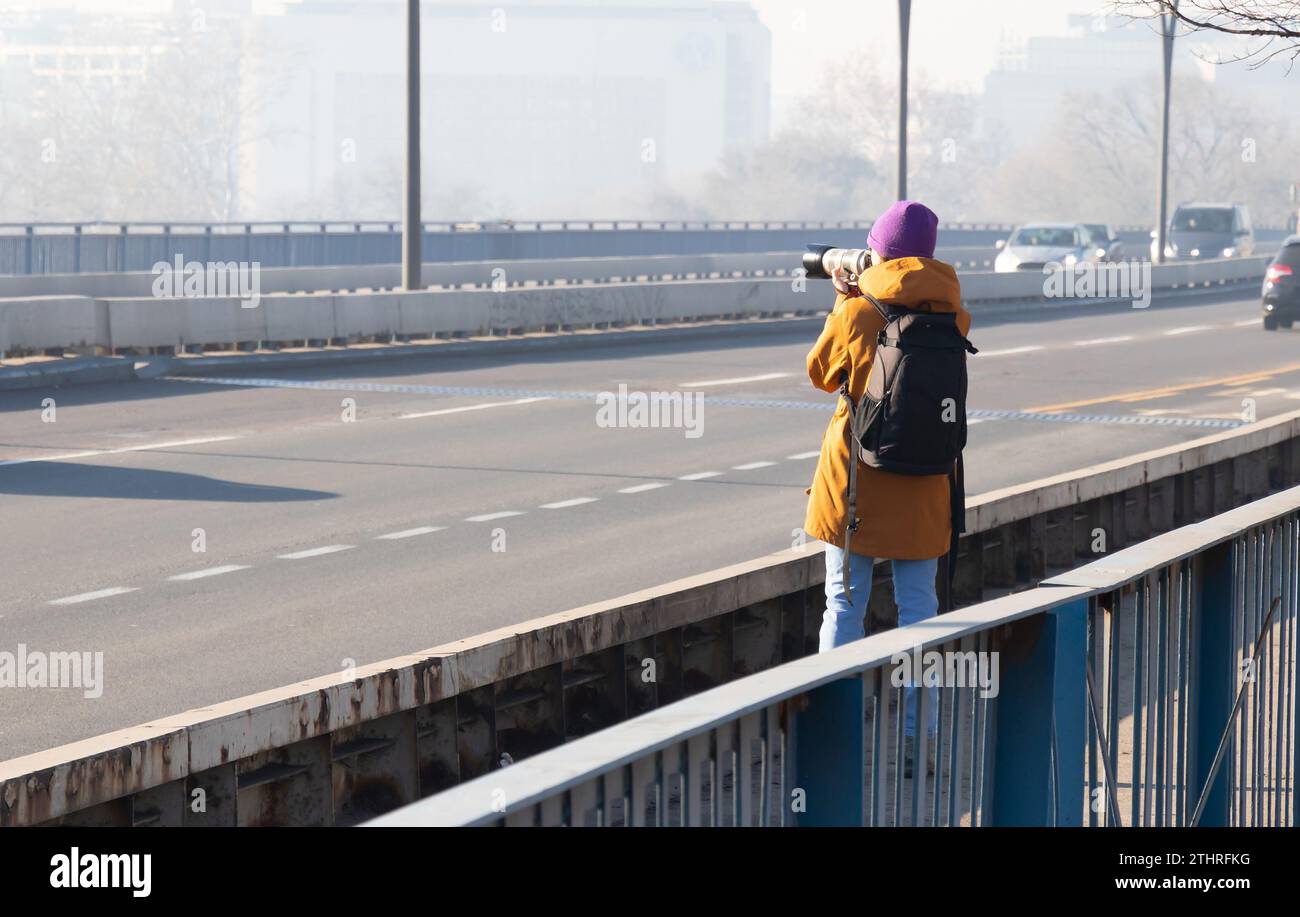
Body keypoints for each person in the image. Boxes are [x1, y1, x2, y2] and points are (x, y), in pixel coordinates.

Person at [801, 199, 971, 773]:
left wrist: (845, 297)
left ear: (877, 249)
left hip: (858, 488)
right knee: (920, 611)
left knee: (844, 605)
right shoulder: (952, 311)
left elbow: (822, 374)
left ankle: (833, 735)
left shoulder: (859, 310)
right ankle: (920, 741)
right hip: (924, 487)